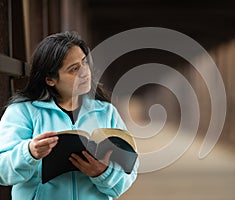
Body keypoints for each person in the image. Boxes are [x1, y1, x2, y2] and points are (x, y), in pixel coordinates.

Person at [0, 31, 138, 200]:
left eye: (84, 63)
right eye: (74, 69)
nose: (85, 72)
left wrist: (103, 173)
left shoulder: (107, 112)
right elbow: (2, 172)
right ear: (50, 79)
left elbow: (129, 174)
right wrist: (29, 153)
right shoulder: (23, 111)